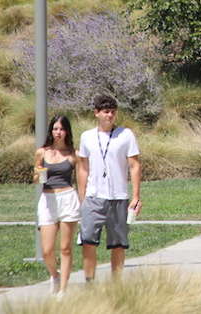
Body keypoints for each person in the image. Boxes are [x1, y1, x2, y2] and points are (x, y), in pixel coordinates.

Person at [77, 94, 142, 281]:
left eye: (113, 112)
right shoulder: (87, 137)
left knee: (118, 244)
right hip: (93, 196)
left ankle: (116, 284)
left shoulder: (126, 134)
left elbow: (134, 165)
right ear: (96, 113)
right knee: (88, 241)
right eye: (106, 112)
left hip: (118, 197)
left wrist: (136, 196)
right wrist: (82, 197)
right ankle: (89, 282)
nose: (110, 115)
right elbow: (83, 167)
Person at [33, 115, 81, 295]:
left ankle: (63, 291)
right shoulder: (42, 152)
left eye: (61, 129)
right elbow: (35, 177)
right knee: (46, 250)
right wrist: (38, 175)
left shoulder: (73, 154)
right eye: (55, 129)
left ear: (66, 131)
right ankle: (55, 275)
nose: (58, 132)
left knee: (65, 248)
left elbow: (81, 178)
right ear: (50, 131)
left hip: (67, 198)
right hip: (47, 199)